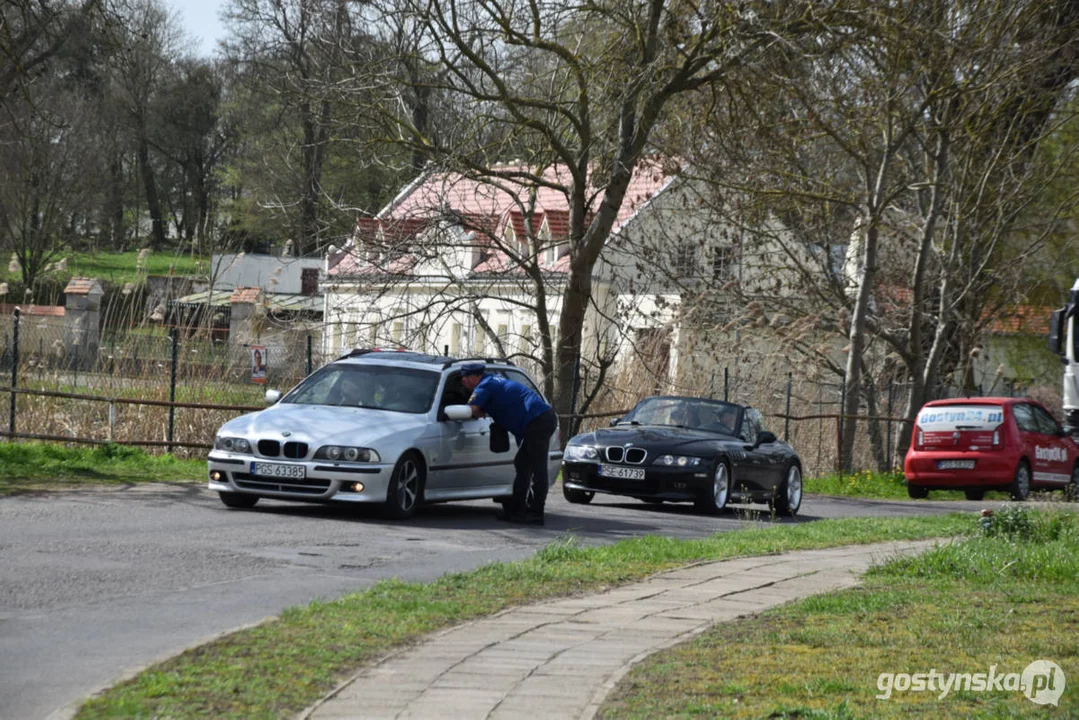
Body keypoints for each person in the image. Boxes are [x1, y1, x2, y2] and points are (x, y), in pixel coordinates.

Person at [460, 362, 557, 525]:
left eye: (465, 378)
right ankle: (518, 510)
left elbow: (473, 410)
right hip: (540, 418)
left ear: (475, 376)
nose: (463, 382)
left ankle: (536, 513)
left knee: (538, 467)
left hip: (538, 420)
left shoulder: (484, 386)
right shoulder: (492, 381)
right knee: (523, 464)